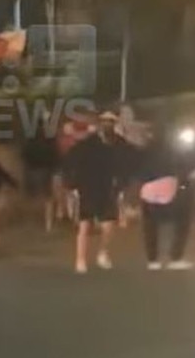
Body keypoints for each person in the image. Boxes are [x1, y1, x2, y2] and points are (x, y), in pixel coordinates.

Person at [136, 126, 195, 271]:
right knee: (183, 221)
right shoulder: (175, 151)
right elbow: (187, 169)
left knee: (150, 226)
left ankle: (152, 260)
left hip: (148, 192)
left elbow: (138, 172)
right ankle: (176, 257)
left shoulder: (144, 152)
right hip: (171, 190)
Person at [65, 111, 123, 274]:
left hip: (107, 188)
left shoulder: (118, 143)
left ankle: (103, 253)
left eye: (111, 122)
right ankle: (80, 259)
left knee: (108, 226)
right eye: (105, 121)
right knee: (84, 225)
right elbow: (72, 161)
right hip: (88, 187)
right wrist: (72, 185)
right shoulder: (88, 143)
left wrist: (120, 183)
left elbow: (124, 163)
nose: (108, 124)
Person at [22, 120, 60, 232]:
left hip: (33, 169)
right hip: (47, 169)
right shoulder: (50, 139)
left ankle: (34, 221)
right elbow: (55, 154)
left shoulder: (30, 139)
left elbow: (24, 154)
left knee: (35, 196)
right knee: (48, 197)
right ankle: (48, 223)